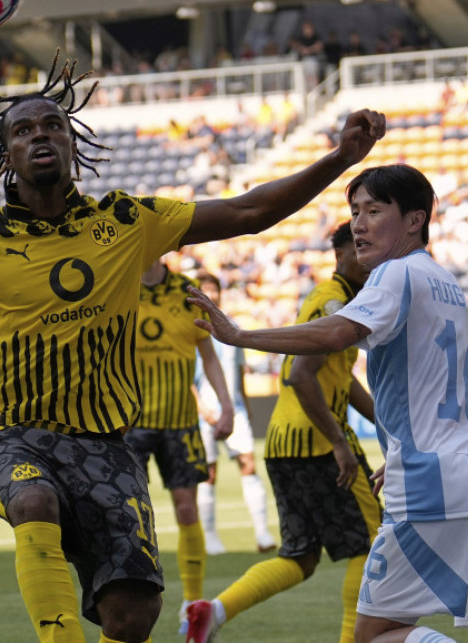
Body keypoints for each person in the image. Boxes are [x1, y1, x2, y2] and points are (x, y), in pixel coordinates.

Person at [0, 54, 385, 643]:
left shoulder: (127, 222)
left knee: (133, 614)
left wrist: (340, 158)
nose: (40, 134)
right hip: (11, 433)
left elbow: (249, 211)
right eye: (22, 130)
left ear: (72, 143)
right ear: (6, 154)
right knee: (33, 498)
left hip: (105, 442)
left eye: (53, 125)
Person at [187, 165, 468, 643]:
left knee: (372, 636)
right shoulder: (448, 285)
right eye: (355, 212)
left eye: (374, 211)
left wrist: (241, 335)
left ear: (414, 220)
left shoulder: (396, 272)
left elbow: (339, 333)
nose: (358, 224)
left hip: (432, 484)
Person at [186, 221, 380, 643]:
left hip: (282, 443)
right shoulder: (334, 302)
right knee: (371, 542)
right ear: (340, 255)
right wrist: (338, 442)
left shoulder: (330, 298)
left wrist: (383, 422)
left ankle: (213, 612)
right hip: (317, 443)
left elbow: (338, 375)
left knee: (301, 556)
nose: (367, 258)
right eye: (358, 248)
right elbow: (301, 374)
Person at [124, 258, 235, 637]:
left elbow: (209, 356)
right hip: (130, 422)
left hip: (179, 422)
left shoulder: (186, 292)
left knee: (187, 510)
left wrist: (226, 405)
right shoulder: (119, 285)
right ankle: (132, 600)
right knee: (130, 516)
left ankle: (192, 603)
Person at [193, 271, 276, 557]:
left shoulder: (231, 326)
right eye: (205, 289)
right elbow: (187, 375)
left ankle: (262, 533)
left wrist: (246, 406)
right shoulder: (191, 328)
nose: (211, 294)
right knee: (209, 473)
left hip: (235, 408)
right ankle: (210, 537)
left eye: (214, 289)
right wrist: (201, 408)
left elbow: (238, 370)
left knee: (248, 464)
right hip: (204, 411)